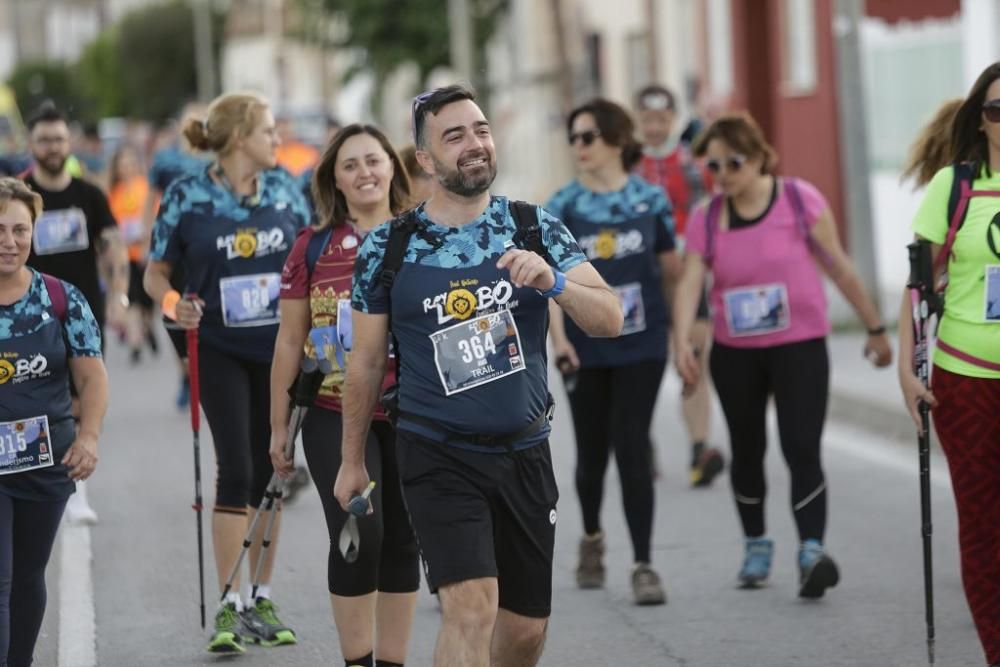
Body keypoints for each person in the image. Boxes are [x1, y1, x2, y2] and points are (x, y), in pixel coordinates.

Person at [334, 84, 622, 667]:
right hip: (436, 453)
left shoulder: (534, 227)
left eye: (481, 130)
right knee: (470, 608)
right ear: (425, 160)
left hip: (524, 453)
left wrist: (556, 283)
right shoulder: (389, 247)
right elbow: (363, 363)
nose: (474, 144)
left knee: (523, 632)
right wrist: (352, 459)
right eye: (455, 135)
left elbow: (611, 318)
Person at [672, 112, 892, 598]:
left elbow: (838, 266)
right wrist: (683, 340)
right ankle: (756, 544)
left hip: (800, 347)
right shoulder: (709, 217)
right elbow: (690, 282)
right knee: (747, 452)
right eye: (714, 166)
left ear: (757, 156)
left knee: (801, 447)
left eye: (734, 162)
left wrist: (876, 327)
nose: (724, 174)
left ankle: (812, 550)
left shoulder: (797, 199)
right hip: (737, 354)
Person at [143, 91, 310, 653]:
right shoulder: (187, 195)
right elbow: (154, 276)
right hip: (216, 346)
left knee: (273, 467)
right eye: (268, 131)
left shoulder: (287, 189)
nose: (277, 141)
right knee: (235, 466)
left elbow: (312, 259)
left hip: (280, 348)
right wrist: (174, 306)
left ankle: (260, 593)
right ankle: (230, 601)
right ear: (240, 138)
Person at [271, 124, 420, 667]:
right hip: (334, 410)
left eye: (374, 161)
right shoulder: (312, 249)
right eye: (351, 165)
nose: (365, 173)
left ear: (392, 169)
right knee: (363, 533)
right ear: (334, 179)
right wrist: (278, 427)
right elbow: (289, 340)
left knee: (404, 540)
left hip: (411, 409)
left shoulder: (420, 236)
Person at [544, 98, 679, 605]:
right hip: (584, 348)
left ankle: (644, 564)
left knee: (632, 446)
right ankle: (593, 538)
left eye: (588, 137)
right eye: (573, 138)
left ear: (618, 141)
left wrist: (684, 333)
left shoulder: (651, 201)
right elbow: (551, 282)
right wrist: (559, 342)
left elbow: (671, 272)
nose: (578, 146)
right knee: (592, 454)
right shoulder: (562, 206)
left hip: (643, 346)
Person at [897, 64, 1000, 667]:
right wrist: (909, 370)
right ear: (980, 120)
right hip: (966, 379)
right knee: (984, 528)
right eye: (996, 110)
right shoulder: (954, 186)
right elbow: (918, 284)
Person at [0, 177, 107, 667]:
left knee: (26, 576)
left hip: (45, 462)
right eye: (0, 230)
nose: (9, 241)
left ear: (34, 232)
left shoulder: (62, 300)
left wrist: (88, 438)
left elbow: (92, 378)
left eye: (20, 230)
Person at [23, 102, 128, 528]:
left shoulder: (90, 195)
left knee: (80, 400)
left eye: (60, 139)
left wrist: (120, 295)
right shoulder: (18, 195)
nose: (53, 146)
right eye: (45, 139)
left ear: (70, 143)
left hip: (81, 314)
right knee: (38, 399)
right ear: (31, 143)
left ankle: (74, 492)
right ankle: (33, 485)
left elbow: (113, 247)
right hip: (28, 316)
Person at [634, 84, 724, 487]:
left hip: (689, 269)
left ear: (672, 118)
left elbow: (715, 207)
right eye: (647, 119)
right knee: (644, 363)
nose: (654, 127)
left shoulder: (693, 162)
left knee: (694, 355)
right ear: (638, 120)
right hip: (643, 272)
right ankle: (642, 442)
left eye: (661, 119)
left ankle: (699, 448)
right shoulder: (629, 165)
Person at [144, 104, 211, 409]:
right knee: (174, 312)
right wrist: (149, 235)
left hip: (208, 250)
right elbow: (150, 198)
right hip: (174, 249)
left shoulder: (219, 159)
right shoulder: (167, 160)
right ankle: (185, 373)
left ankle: (205, 371)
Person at [108, 144, 157, 364]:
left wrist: (146, 240)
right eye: (122, 165)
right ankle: (136, 343)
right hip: (124, 256)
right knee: (133, 301)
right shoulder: (113, 193)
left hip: (146, 253)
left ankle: (147, 329)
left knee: (147, 304)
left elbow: (155, 218)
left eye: (130, 164)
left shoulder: (145, 188)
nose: (127, 168)